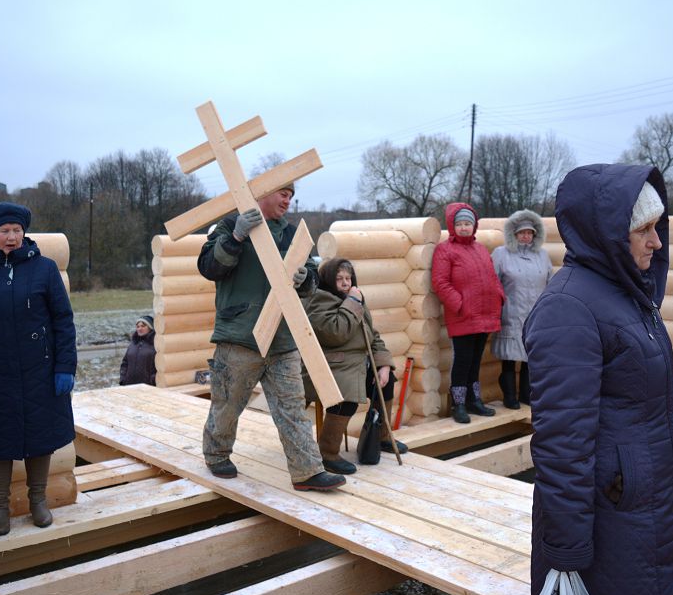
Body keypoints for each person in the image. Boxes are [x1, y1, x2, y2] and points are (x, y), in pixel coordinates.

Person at [524, 165, 673, 595]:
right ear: (606, 234)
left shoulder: (625, 295)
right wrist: (565, 552)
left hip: (645, 506)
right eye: (643, 229)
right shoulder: (569, 307)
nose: (656, 242)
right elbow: (562, 443)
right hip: (611, 521)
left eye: (656, 228)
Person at [197, 185, 345, 491]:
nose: (288, 199)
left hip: (283, 338)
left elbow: (313, 278)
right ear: (262, 192)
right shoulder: (230, 225)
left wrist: (306, 280)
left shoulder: (292, 234)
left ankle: (307, 470)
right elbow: (209, 267)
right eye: (282, 192)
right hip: (240, 335)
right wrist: (236, 237)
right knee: (227, 404)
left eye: (291, 194)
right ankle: (216, 454)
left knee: (292, 408)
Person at [0, 202, 77, 536]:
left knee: (40, 435)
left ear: (24, 232)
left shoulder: (45, 269)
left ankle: (38, 501)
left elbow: (63, 321)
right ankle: (0, 508)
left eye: (17, 230)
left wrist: (65, 366)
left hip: (40, 369)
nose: (12, 237)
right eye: (5, 231)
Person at [302, 258, 407, 474]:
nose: (345, 283)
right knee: (346, 396)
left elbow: (372, 335)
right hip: (331, 364)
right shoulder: (319, 300)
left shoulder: (355, 299)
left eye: (348, 278)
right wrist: (352, 302)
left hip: (356, 363)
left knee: (385, 383)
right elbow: (336, 333)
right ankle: (328, 453)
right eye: (339, 278)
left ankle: (382, 436)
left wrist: (383, 364)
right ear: (329, 280)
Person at [431, 203, 504, 423]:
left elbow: (492, 277)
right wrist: (460, 304)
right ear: (453, 226)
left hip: (486, 314)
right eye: (460, 224)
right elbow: (440, 282)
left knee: (475, 360)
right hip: (463, 315)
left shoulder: (480, 249)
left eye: (467, 224)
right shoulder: (445, 250)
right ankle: (458, 404)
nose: (464, 228)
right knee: (462, 360)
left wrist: (499, 296)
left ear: (474, 226)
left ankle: (474, 400)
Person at [491, 209, 552, 409]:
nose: (526, 236)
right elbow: (492, 283)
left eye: (530, 233)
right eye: (522, 233)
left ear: (535, 235)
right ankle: (509, 396)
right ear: (514, 234)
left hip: (536, 314)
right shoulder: (501, 254)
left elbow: (550, 283)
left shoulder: (542, 256)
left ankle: (526, 394)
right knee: (509, 356)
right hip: (511, 311)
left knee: (530, 357)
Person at [120, 315, 157, 386]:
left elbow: (159, 367)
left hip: (148, 388)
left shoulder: (156, 344)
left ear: (150, 327)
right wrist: (123, 380)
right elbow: (125, 363)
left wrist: (152, 381)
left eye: (143, 326)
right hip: (129, 386)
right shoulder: (133, 344)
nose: (140, 329)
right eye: (138, 326)